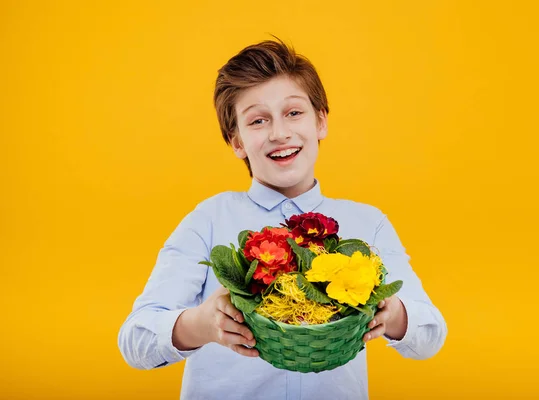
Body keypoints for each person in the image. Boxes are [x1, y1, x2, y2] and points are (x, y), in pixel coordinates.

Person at [118, 38, 447, 400]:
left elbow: (431, 336)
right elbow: (135, 341)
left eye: (294, 113)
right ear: (237, 142)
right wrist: (200, 325)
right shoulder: (210, 219)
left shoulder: (368, 225)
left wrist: (394, 315)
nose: (279, 133)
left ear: (321, 121)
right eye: (258, 120)